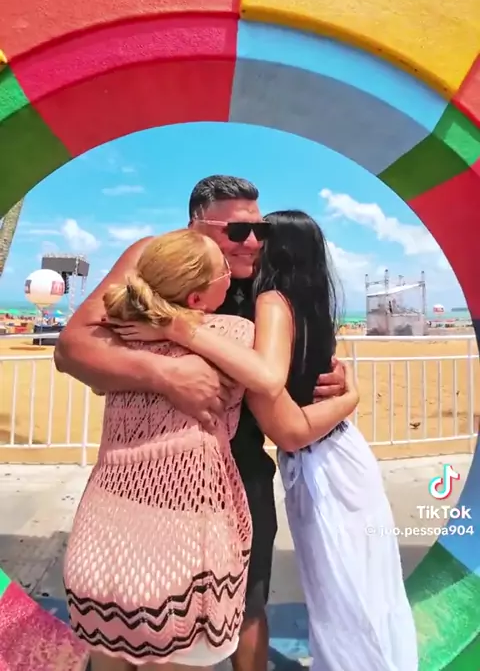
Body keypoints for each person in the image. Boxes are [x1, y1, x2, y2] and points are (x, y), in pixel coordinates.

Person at [54, 176, 347, 671]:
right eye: (236, 230)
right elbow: (72, 348)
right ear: (195, 225)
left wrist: (334, 377)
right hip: (147, 476)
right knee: (136, 606)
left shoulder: (265, 282)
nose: (251, 242)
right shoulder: (153, 258)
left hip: (239, 467)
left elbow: (282, 364)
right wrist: (165, 374)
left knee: (247, 605)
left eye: (259, 230)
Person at [115, 211, 417, 671]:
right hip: (337, 453)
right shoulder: (309, 299)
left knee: (345, 594)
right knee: (359, 589)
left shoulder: (271, 302)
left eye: (263, 235)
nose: (253, 242)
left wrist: (173, 327)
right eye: (245, 232)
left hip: (320, 459)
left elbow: (285, 419)